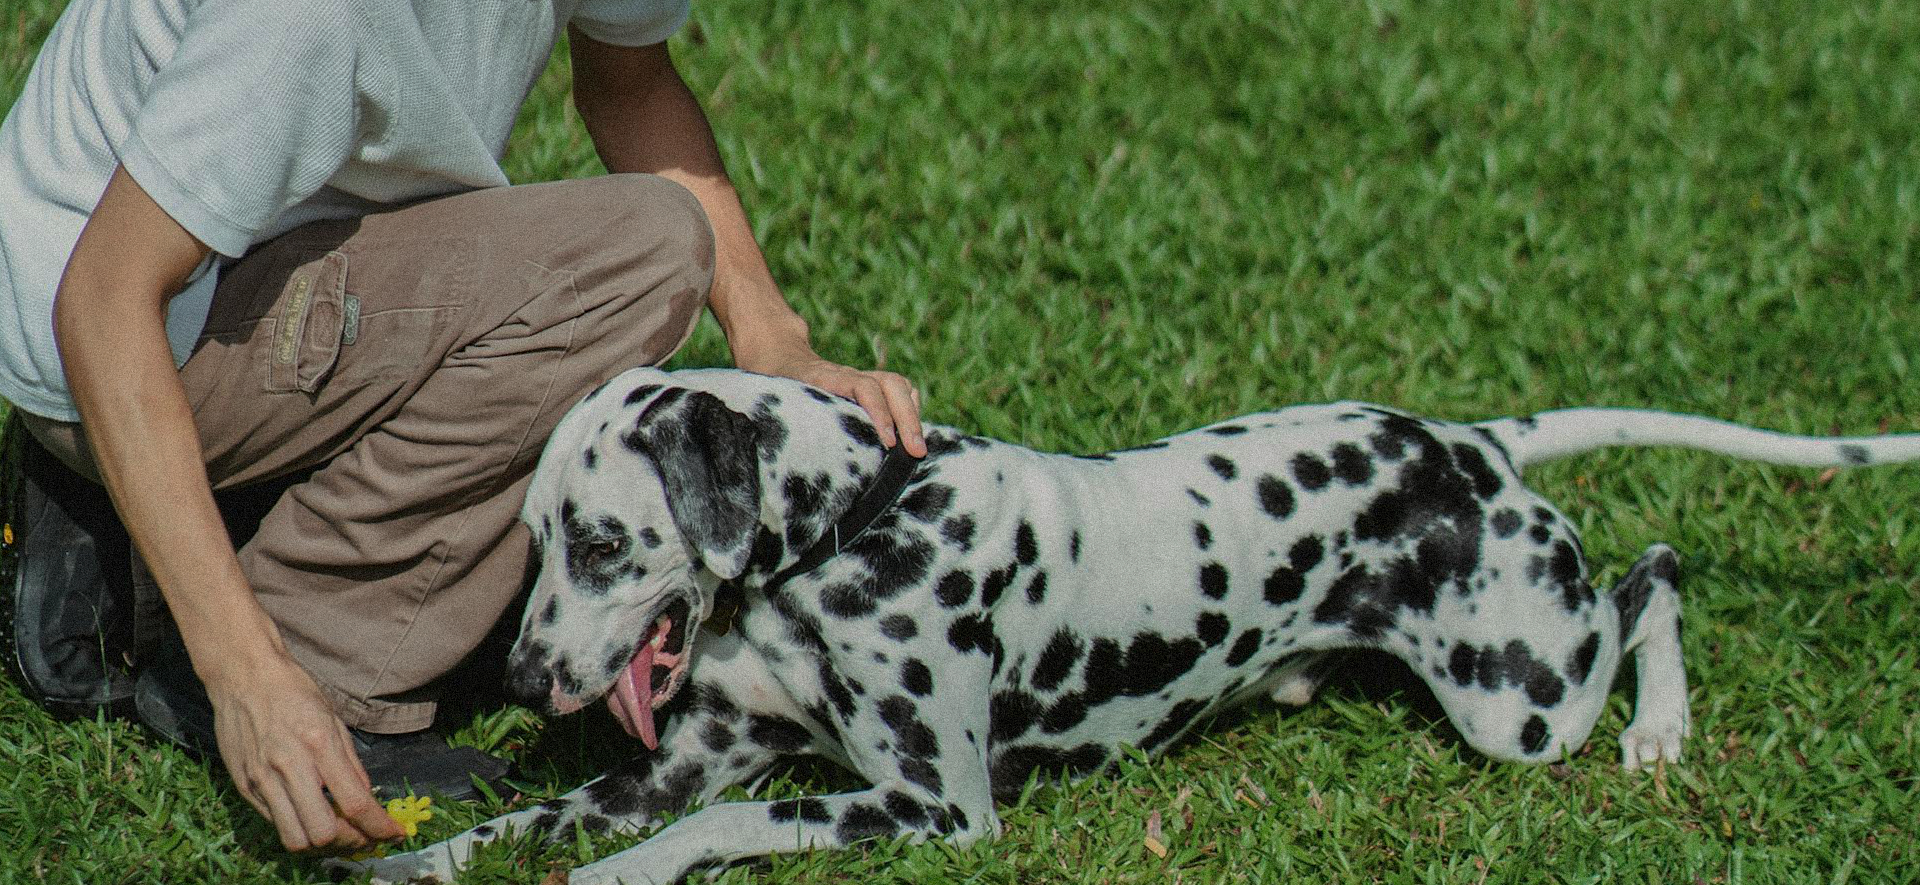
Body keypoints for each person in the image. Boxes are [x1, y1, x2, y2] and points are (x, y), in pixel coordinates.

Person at [0, 0, 925, 855]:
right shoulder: (297, 16)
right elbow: (102, 302)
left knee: (635, 255)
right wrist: (247, 674)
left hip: (245, 253)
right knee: (625, 264)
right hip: (118, 330)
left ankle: (135, 525)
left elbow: (630, 81)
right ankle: (306, 643)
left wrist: (774, 340)